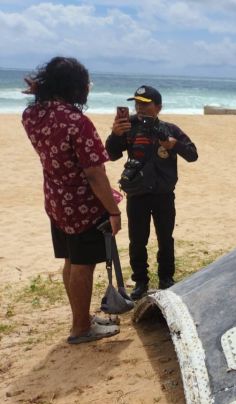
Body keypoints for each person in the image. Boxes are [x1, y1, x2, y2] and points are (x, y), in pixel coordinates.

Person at [21, 56, 122, 344]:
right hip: (82, 205)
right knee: (83, 264)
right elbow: (94, 173)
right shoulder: (77, 122)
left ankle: (81, 318)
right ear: (75, 87)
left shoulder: (32, 116)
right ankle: (80, 328)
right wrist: (113, 211)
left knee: (70, 259)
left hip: (55, 199)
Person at [105, 86, 198, 299]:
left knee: (165, 238)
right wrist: (115, 134)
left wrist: (173, 145)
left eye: (145, 104)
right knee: (137, 240)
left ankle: (166, 278)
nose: (140, 108)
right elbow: (111, 155)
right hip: (137, 194)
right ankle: (140, 282)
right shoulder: (129, 127)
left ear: (158, 107)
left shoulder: (171, 129)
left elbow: (193, 154)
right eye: (137, 104)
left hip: (163, 194)